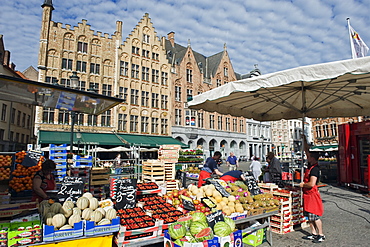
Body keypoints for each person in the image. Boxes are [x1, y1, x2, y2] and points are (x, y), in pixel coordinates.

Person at [300, 135, 325, 243]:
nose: (307, 157)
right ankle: (313, 233)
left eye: (309, 157)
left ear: (313, 158)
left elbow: (311, 183)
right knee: (309, 216)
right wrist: (304, 139)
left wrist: (302, 185)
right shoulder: (310, 166)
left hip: (312, 194)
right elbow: (306, 150)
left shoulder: (315, 169)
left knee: (315, 216)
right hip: (307, 195)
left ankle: (320, 234)